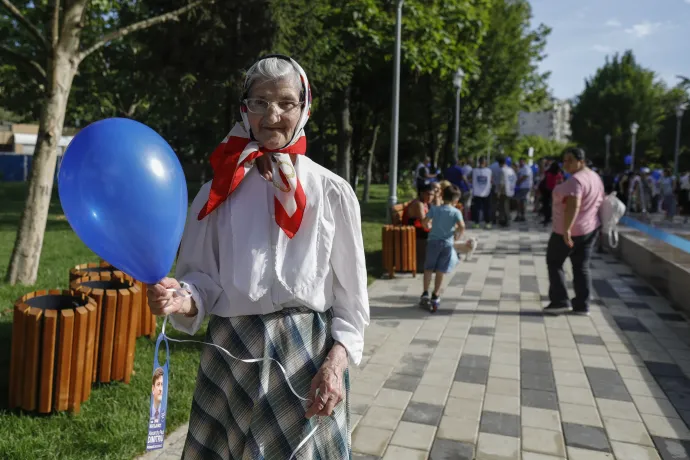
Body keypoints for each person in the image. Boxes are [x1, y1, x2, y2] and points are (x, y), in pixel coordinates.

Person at [146, 55, 369, 459]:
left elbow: (352, 302)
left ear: (305, 108)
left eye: (286, 102)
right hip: (232, 354)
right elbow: (201, 282)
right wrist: (184, 297)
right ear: (243, 109)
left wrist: (335, 365)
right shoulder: (217, 192)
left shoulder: (332, 192)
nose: (273, 114)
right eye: (260, 102)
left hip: (307, 358)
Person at [544, 148, 604, 315]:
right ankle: (582, 305)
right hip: (589, 228)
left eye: (570, 160)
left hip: (569, 230)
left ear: (581, 161)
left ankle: (559, 301)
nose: (566, 164)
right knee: (581, 266)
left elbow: (573, 204)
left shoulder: (575, 181)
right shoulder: (594, 177)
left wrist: (567, 230)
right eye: (564, 160)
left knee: (554, 262)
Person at [420, 185, 465, 312]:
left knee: (428, 268)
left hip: (433, 242)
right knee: (441, 270)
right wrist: (457, 235)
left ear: (442, 196)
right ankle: (436, 294)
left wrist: (428, 226)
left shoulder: (434, 209)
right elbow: (462, 227)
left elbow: (425, 222)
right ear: (455, 200)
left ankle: (425, 293)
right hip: (447, 244)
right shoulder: (456, 212)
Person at [403, 182, 435, 270]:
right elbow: (424, 223)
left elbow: (428, 221)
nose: (430, 197)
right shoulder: (418, 204)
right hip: (412, 231)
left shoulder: (424, 203)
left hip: (417, 230)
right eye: (428, 194)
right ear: (421, 193)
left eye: (432, 195)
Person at [471, 157, 493, 229]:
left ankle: (476, 223)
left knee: (477, 208)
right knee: (487, 208)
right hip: (487, 192)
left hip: (477, 193)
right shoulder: (489, 171)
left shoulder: (474, 171)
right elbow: (491, 180)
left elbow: (468, 178)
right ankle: (487, 223)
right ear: (485, 162)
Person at [540, 161, 563, 226]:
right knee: (553, 205)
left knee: (546, 205)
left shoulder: (548, 173)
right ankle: (552, 218)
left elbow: (543, 178)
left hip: (546, 191)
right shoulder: (558, 174)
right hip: (555, 191)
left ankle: (546, 218)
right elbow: (561, 182)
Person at [497, 157, 517, 226]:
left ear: (500, 163)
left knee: (503, 206)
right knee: (507, 206)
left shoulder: (502, 170)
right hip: (510, 190)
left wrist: (499, 192)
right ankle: (506, 219)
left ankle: (505, 220)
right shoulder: (510, 169)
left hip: (504, 191)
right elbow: (514, 179)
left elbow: (502, 183)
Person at [515, 158, 532, 222]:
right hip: (521, 187)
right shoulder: (521, 168)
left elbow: (524, 177)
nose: (520, 163)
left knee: (521, 201)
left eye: (521, 162)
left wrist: (517, 182)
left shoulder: (526, 168)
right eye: (520, 162)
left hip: (525, 187)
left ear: (524, 161)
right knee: (520, 201)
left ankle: (521, 216)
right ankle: (520, 215)